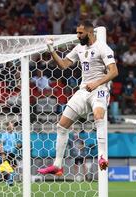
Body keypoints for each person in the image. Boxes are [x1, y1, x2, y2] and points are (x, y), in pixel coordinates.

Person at [38, 21, 118, 175]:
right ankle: (57, 166)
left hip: (100, 89)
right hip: (84, 90)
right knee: (62, 126)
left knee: (98, 116)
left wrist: (97, 83)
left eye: (80, 33)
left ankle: (102, 157)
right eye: (77, 32)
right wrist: (51, 49)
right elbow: (63, 65)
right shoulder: (79, 48)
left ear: (89, 32)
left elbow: (114, 72)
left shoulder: (103, 48)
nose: (77, 35)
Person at [0, 121, 21, 186]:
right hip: (6, 152)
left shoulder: (14, 135)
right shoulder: (5, 134)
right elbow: (1, 144)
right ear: (7, 126)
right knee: (7, 165)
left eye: (13, 125)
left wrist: (18, 145)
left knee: (12, 166)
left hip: (12, 153)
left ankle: (5, 180)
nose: (12, 126)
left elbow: (14, 145)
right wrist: (2, 153)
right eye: (11, 125)